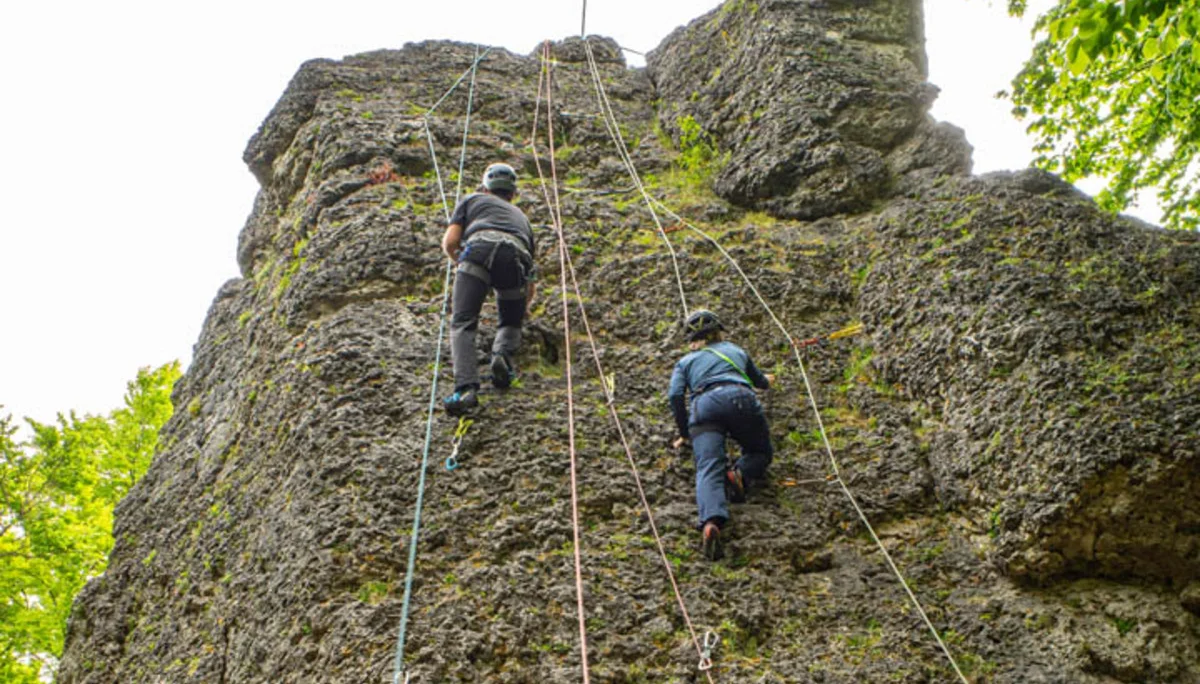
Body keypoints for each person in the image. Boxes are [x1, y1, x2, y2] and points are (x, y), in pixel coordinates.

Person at [668, 310, 774, 561]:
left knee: (707, 468)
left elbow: (674, 395)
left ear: (693, 339)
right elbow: (760, 381)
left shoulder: (686, 362)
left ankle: (711, 523)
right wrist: (768, 381)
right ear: (719, 331)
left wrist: (685, 434)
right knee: (761, 452)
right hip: (740, 397)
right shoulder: (736, 351)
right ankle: (739, 474)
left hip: (704, 405)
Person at [441, 163, 537, 416]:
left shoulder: (473, 200)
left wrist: (461, 264)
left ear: (485, 187)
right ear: (512, 194)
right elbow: (531, 281)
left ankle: (466, 389)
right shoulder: (522, 219)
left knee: (463, 321)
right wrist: (521, 310)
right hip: (516, 257)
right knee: (510, 322)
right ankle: (502, 356)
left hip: (479, 250)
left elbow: (451, 242)